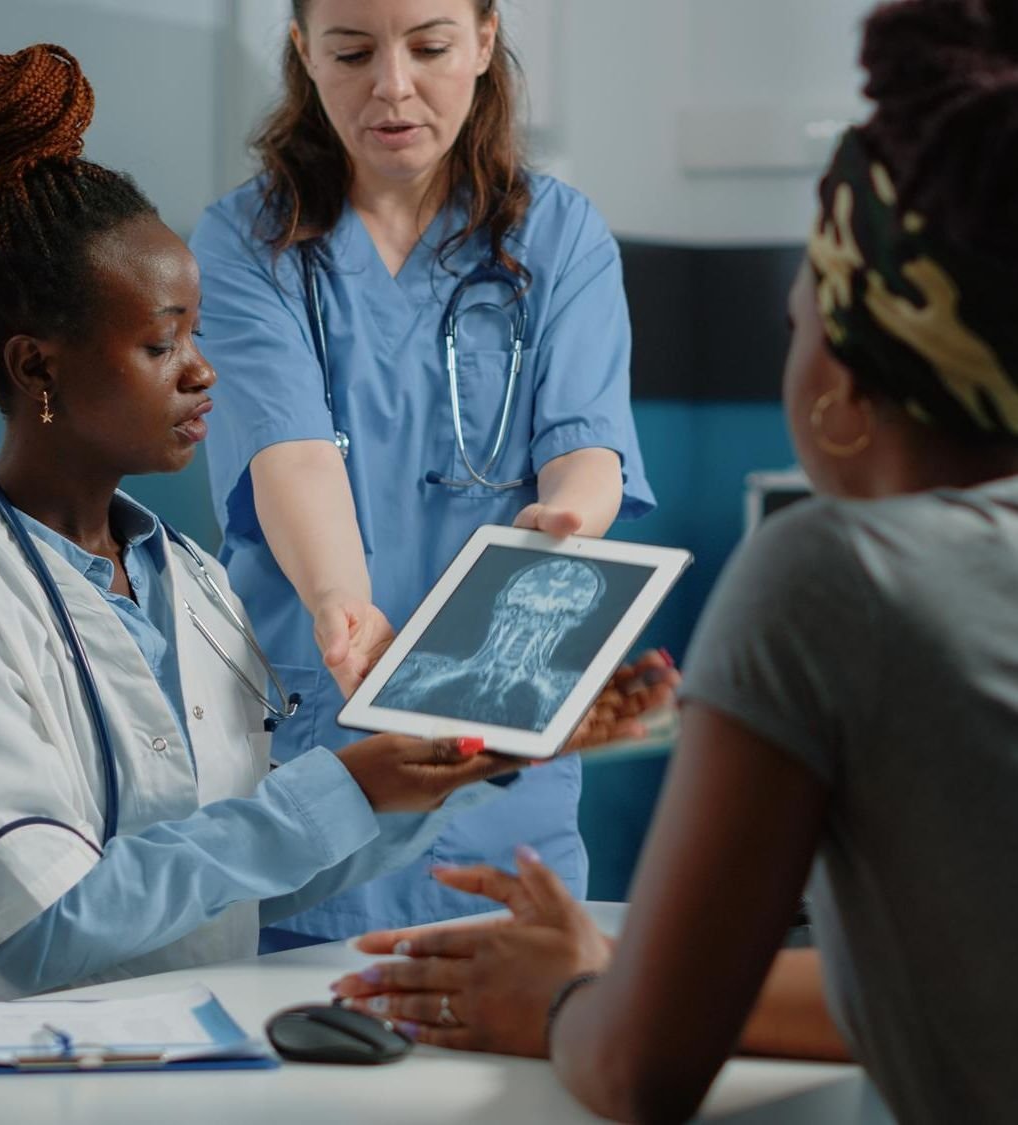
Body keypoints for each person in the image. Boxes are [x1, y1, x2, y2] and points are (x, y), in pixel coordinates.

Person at [329, 1, 1018, 1121]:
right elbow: (921, 989)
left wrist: (567, 999)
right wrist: (611, 972)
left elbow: (640, 1067)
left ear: (839, 394)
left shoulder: (827, 574)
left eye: (795, 324)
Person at [0, 41, 551, 1004]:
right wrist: (346, 787)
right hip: (16, 1082)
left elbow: (254, 861)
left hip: (197, 1060)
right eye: (162, 342)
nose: (202, 371)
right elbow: (37, 925)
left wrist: (437, 766)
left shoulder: (191, 581)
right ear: (37, 369)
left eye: (197, 333)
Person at [190, 0, 657, 948]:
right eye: (353, 52)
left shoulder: (560, 236)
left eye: (431, 46)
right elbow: (290, 450)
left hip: (503, 755)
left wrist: (563, 522)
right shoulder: (245, 243)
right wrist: (340, 601)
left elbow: (585, 446)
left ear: (484, 40)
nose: (392, 87)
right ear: (303, 53)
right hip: (313, 751)